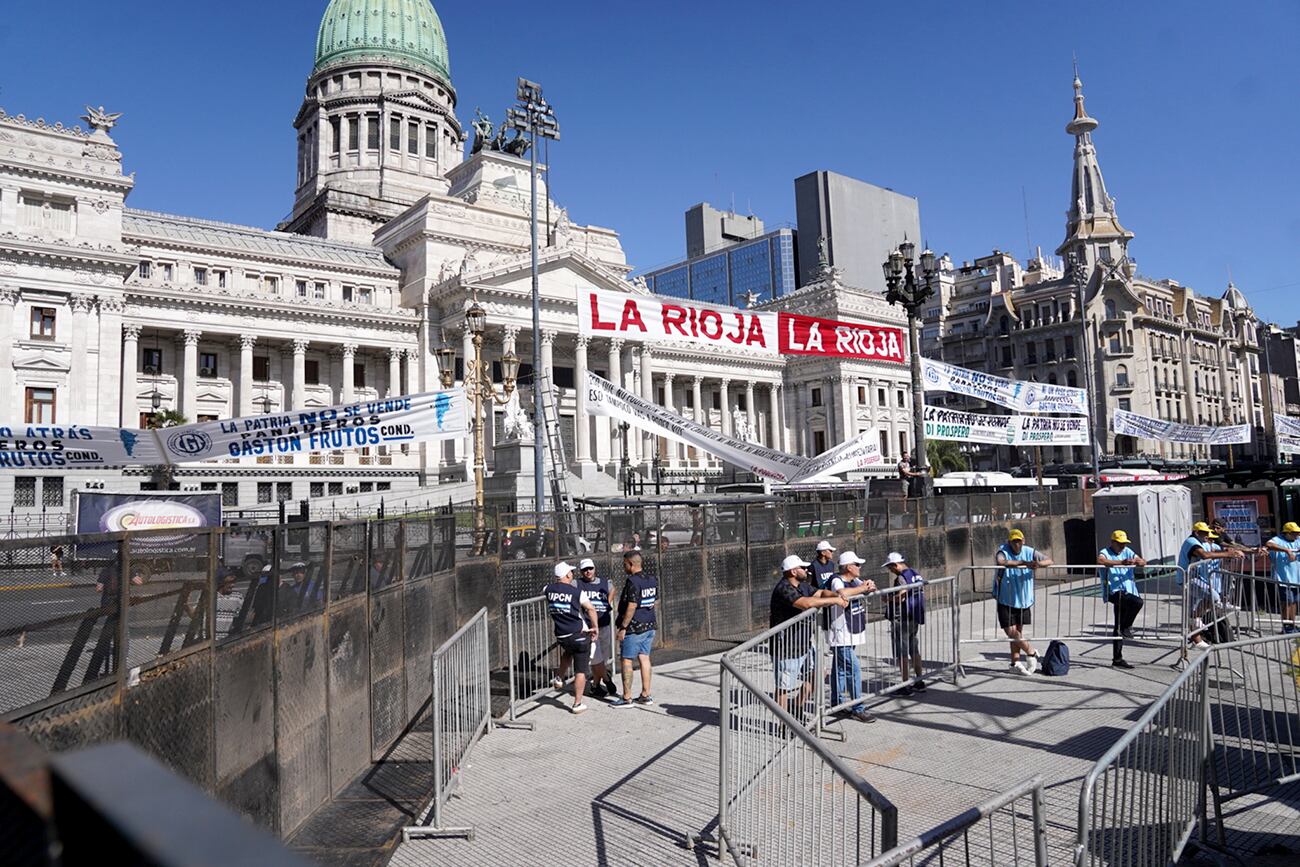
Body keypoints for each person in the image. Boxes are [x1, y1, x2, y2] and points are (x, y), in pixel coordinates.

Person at [768, 553, 848, 721]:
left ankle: (796, 706)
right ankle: (785, 724)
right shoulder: (783, 588)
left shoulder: (803, 586)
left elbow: (819, 592)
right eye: (802, 568)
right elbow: (806, 603)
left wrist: (835, 596)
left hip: (804, 643)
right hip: (786, 647)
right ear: (792, 571)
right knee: (784, 687)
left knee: (819, 673)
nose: (806, 570)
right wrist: (834, 602)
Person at [825, 552, 878, 722]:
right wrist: (863, 588)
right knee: (853, 669)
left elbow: (862, 589)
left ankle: (836, 703)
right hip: (840, 635)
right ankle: (858, 708)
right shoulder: (836, 580)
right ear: (849, 567)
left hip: (851, 633)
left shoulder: (855, 581)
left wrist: (869, 587)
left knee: (840, 669)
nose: (860, 567)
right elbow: (843, 593)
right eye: (857, 564)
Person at [994, 529, 1053, 674]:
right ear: (1009, 542)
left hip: (1024, 599)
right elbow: (1001, 561)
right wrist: (1022, 562)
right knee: (1011, 632)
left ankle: (1014, 663)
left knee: (1018, 633)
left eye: (1019, 541)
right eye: (1014, 541)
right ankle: (1031, 652)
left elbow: (1049, 560)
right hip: (1005, 598)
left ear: (1023, 540)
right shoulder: (1002, 551)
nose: (1016, 544)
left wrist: (1037, 564)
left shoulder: (1029, 551)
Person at [543, 562, 599, 714]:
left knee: (568, 653)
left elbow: (547, 590)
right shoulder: (576, 592)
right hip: (578, 634)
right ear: (567, 575)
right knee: (581, 670)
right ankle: (577, 703)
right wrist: (595, 628)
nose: (573, 574)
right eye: (571, 572)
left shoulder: (548, 589)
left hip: (562, 635)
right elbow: (591, 608)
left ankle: (559, 678)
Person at [1178, 522, 1241, 648]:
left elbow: (1217, 549)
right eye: (1204, 533)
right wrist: (1228, 554)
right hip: (1188, 579)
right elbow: (1205, 555)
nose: (1207, 535)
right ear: (1196, 532)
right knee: (1214, 597)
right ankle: (1194, 619)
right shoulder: (1192, 542)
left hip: (1198, 578)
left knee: (1194, 608)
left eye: (1208, 533)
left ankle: (1197, 639)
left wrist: (1248, 550)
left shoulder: (1202, 542)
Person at [610, 551, 658, 708]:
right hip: (649, 625)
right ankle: (646, 694)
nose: (624, 567)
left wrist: (623, 627)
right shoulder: (652, 579)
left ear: (631, 564)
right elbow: (654, 600)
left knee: (626, 659)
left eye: (625, 564)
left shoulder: (632, 581)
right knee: (644, 657)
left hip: (634, 627)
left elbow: (632, 605)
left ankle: (626, 697)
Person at [1097, 530, 1146, 669]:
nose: (1122, 546)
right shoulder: (1105, 551)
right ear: (1113, 542)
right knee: (1138, 602)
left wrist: (1138, 562)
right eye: (1120, 544)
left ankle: (1117, 658)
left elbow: (1143, 561)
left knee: (1117, 625)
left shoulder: (1128, 550)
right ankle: (1126, 627)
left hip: (1128, 589)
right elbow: (1101, 560)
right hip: (1114, 590)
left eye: (1124, 543)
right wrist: (1121, 562)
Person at [882, 552, 927, 693]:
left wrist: (887, 599)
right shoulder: (915, 573)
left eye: (890, 567)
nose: (890, 571)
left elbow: (901, 595)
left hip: (902, 618)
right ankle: (919, 680)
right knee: (914, 649)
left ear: (896, 565)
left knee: (902, 652)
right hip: (914, 615)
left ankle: (905, 685)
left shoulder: (901, 578)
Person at [576, 557, 618, 697]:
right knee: (596, 658)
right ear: (581, 571)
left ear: (594, 568)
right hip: (590, 628)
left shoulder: (604, 582)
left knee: (603, 659)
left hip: (604, 624)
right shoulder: (577, 583)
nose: (588, 572)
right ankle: (606, 681)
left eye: (590, 569)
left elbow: (613, 589)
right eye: (585, 570)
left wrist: (608, 602)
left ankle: (595, 685)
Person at [1265, 522, 1300, 634]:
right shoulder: (1278, 540)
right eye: (1294, 533)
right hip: (1283, 578)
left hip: (1296, 578)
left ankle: (1292, 624)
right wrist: (1287, 550)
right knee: (1287, 601)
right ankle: (1286, 626)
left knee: (1294, 601)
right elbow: (1269, 544)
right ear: (1287, 533)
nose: (1297, 535)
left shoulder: (1298, 540)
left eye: (1298, 533)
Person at [214, 567, 246, 641]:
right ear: (221, 583)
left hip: (227, 638)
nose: (232, 585)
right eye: (229, 582)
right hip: (210, 638)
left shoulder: (237, 597)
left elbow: (240, 617)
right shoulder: (211, 597)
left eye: (233, 582)